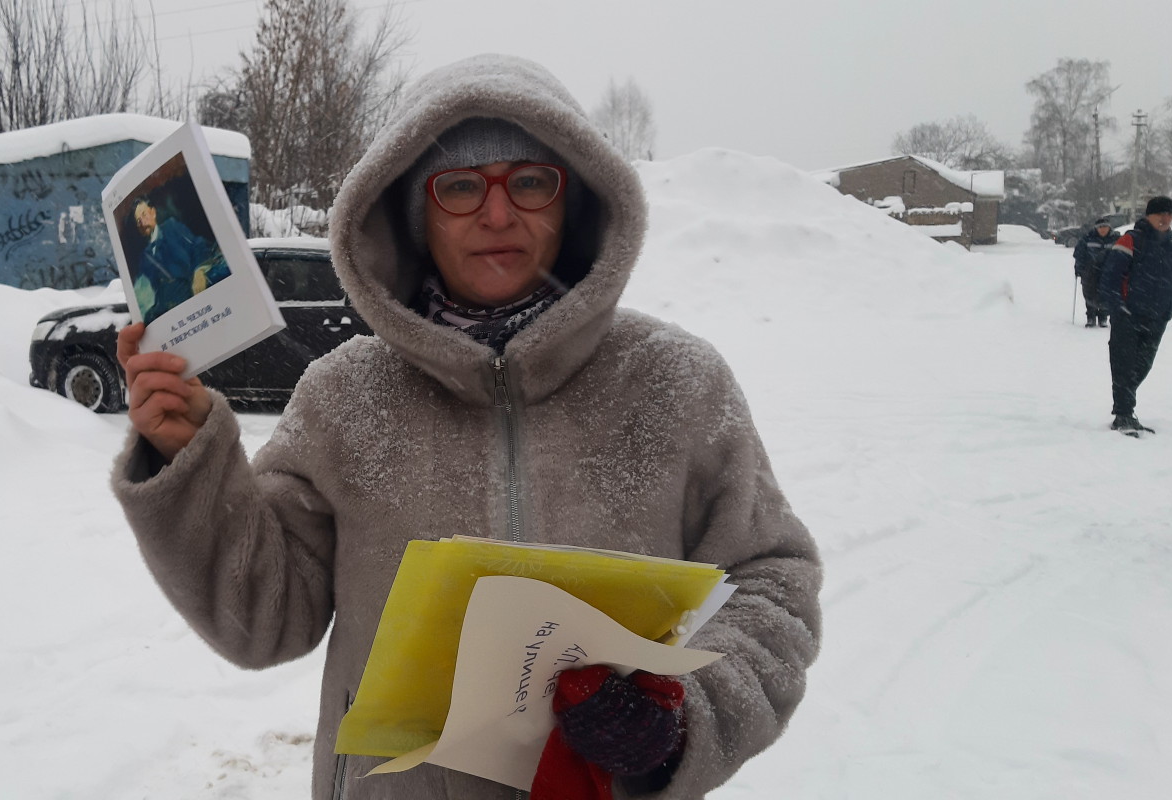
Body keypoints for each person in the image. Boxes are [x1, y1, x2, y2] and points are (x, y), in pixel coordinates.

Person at [110, 54, 821, 799]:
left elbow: (773, 581)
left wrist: (681, 721)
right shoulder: (342, 397)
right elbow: (264, 618)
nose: (498, 214)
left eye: (530, 182)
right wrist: (189, 463)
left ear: (573, 199)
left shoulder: (675, 383)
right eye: (458, 186)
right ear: (413, 213)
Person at [1099, 196, 1172, 436]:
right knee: (1124, 365)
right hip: (1129, 315)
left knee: (1142, 366)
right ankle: (1123, 415)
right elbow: (1110, 277)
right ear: (1149, 215)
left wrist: (1168, 311)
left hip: (1156, 318)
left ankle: (1126, 408)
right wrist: (1119, 308)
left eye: (1169, 215)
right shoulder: (1131, 240)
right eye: (1160, 214)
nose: (1165, 219)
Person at [129, 197, 229, 322]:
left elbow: (198, 245)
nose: (142, 223)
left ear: (153, 212)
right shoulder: (144, 258)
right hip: (171, 311)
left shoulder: (171, 228)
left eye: (144, 214)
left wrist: (200, 270)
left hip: (196, 294)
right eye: (138, 221)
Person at [1073, 216, 1119, 327]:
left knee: (1106, 294)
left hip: (1108, 272)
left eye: (1105, 227)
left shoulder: (1116, 239)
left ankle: (1103, 317)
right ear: (1096, 228)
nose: (1103, 229)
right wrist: (1078, 268)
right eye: (1100, 227)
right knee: (1089, 293)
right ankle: (1090, 316)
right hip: (1090, 272)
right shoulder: (1088, 238)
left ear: (1109, 228)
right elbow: (1079, 255)